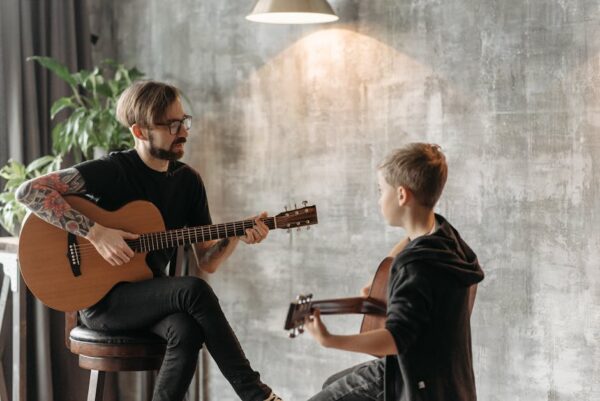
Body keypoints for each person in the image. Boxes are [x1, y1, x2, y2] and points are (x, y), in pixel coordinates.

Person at [16, 80, 283, 401]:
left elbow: (207, 262)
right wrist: (96, 233)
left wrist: (235, 237)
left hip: (149, 297)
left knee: (186, 329)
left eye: (184, 121)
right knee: (192, 290)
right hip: (103, 303)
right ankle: (256, 394)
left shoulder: (188, 182)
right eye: (171, 125)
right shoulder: (113, 170)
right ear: (139, 132)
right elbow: (29, 191)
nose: (183, 131)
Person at [304, 143, 484, 401]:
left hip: (411, 379)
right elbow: (411, 240)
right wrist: (380, 277)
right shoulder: (447, 240)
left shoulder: (414, 265)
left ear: (401, 195)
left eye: (381, 191)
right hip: (448, 381)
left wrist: (329, 339)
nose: (379, 200)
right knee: (331, 382)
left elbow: (395, 339)